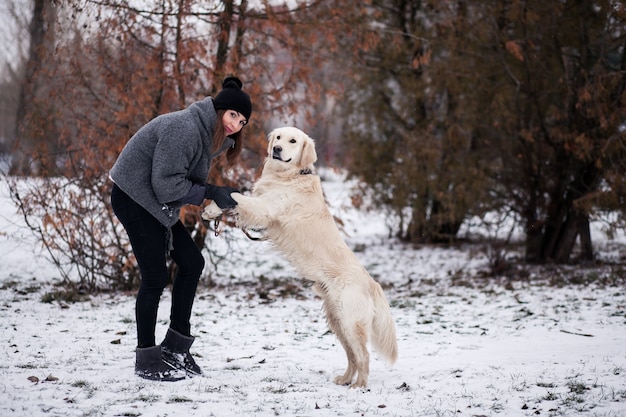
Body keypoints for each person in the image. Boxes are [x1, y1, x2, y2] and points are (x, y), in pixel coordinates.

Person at [109, 76, 251, 381]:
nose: (236, 125)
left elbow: (176, 184)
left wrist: (220, 194)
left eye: (242, 121)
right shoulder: (184, 128)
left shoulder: (206, 136)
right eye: (233, 115)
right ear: (218, 109)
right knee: (155, 276)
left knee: (192, 262)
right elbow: (166, 186)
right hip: (133, 196)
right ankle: (147, 358)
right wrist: (212, 191)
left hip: (155, 201)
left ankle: (176, 348)